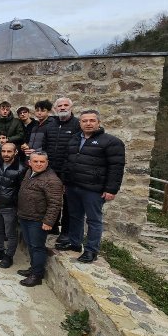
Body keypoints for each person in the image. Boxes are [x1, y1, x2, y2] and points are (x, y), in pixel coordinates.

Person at [57, 110, 125, 263]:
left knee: (94, 220)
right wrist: (64, 181)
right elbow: (67, 162)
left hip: (93, 189)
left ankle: (91, 250)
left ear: (98, 123)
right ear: (80, 123)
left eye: (92, 120)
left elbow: (116, 168)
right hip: (73, 186)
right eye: (85, 121)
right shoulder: (74, 139)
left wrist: (111, 189)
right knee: (75, 216)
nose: (88, 123)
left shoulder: (111, 142)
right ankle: (75, 243)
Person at [16, 152, 63, 287]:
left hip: (37, 220)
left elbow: (55, 203)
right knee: (30, 245)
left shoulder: (52, 180)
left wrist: (48, 221)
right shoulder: (29, 173)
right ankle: (33, 268)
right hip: (25, 216)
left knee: (37, 247)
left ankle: (37, 275)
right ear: (30, 163)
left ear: (47, 163)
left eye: (42, 162)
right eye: (35, 161)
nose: (38, 164)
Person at [44, 97, 79, 241]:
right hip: (51, 169)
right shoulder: (50, 125)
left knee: (68, 202)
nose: (63, 108)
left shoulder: (77, 124)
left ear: (71, 107)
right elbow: (45, 145)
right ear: (55, 109)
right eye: (60, 106)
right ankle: (51, 226)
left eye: (66, 105)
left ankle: (66, 232)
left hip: (69, 170)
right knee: (50, 199)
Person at [0, 143, 25, 268]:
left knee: (10, 233)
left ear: (15, 152)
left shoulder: (21, 169)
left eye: (9, 152)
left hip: (9, 207)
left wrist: (17, 206)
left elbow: (21, 191)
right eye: (4, 151)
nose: (6, 154)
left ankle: (9, 256)